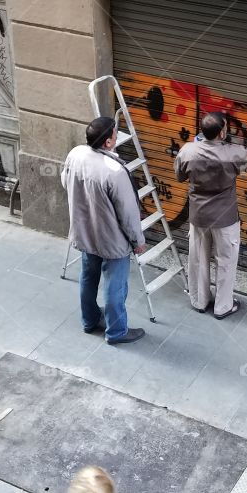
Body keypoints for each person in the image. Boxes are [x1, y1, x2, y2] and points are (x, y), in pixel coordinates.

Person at [174, 109, 247, 319]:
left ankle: (199, 301)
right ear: (222, 133)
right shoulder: (233, 152)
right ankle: (223, 307)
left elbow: (179, 176)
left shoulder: (187, 151)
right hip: (225, 218)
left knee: (198, 259)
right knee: (226, 260)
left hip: (198, 216)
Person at [62, 116, 148, 346]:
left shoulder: (75, 154)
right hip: (112, 240)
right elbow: (128, 213)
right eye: (115, 133)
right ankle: (117, 331)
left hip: (84, 233)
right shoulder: (115, 172)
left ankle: (89, 320)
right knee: (115, 287)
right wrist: (138, 240)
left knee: (88, 278)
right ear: (109, 142)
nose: (117, 136)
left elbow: (65, 182)